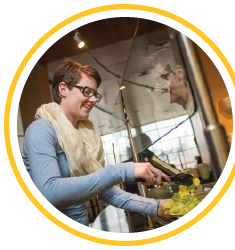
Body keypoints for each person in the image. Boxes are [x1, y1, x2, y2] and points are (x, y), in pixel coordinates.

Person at [21, 58, 172, 227]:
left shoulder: (85, 135)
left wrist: (156, 206)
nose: (93, 100)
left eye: (95, 94)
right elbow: (50, 192)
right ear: (63, 89)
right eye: (86, 91)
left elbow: (108, 193)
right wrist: (122, 170)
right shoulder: (41, 130)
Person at [140, 48, 194, 120]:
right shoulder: (160, 114)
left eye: (159, 80)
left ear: (179, 73)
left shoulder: (200, 98)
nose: (156, 90)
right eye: (151, 87)